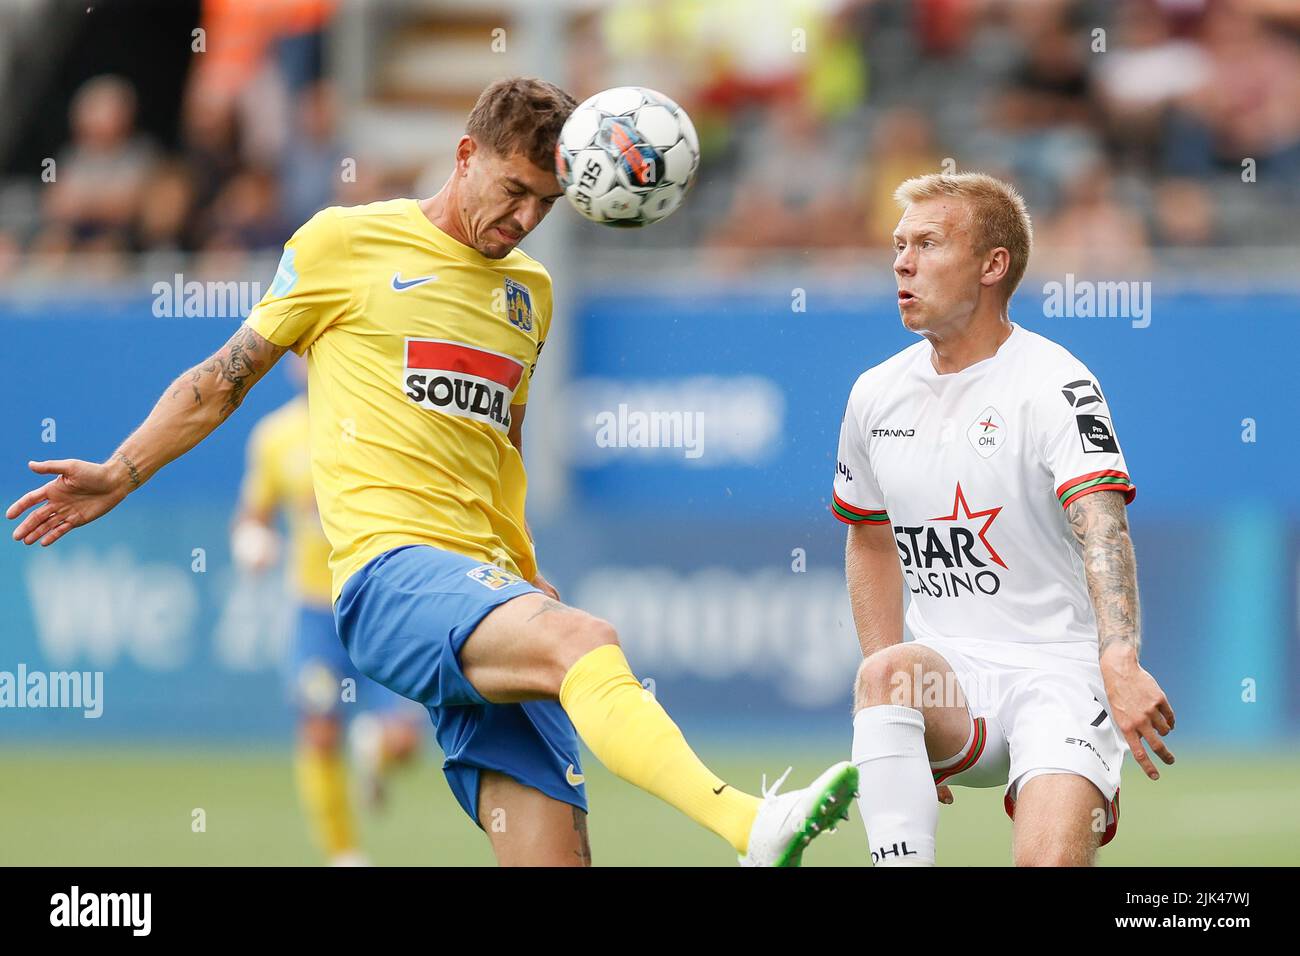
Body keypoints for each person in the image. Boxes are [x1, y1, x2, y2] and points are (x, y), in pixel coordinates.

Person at [8, 76, 855, 867]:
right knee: (588, 642)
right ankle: (752, 823)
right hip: (389, 578)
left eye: (547, 204)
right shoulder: (346, 242)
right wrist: (122, 472)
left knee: (558, 855)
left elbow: (502, 455)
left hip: (484, 588)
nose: (525, 218)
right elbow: (221, 381)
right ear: (464, 156)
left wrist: (523, 574)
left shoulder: (532, 294)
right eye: (514, 190)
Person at [833, 172, 1174, 867]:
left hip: (1059, 674)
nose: (902, 261)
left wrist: (1119, 657)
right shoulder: (876, 393)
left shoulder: (1055, 383)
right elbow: (868, 536)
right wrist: (893, 726)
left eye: (928, 243)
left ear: (993, 266)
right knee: (884, 676)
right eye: (899, 245)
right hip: (954, 677)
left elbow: (1101, 522)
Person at [233, 357, 422, 865]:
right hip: (316, 614)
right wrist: (253, 541)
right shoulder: (275, 438)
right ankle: (345, 855)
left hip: (379, 606)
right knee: (318, 731)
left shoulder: (381, 422)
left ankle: (375, 754)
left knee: (405, 741)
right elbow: (253, 516)